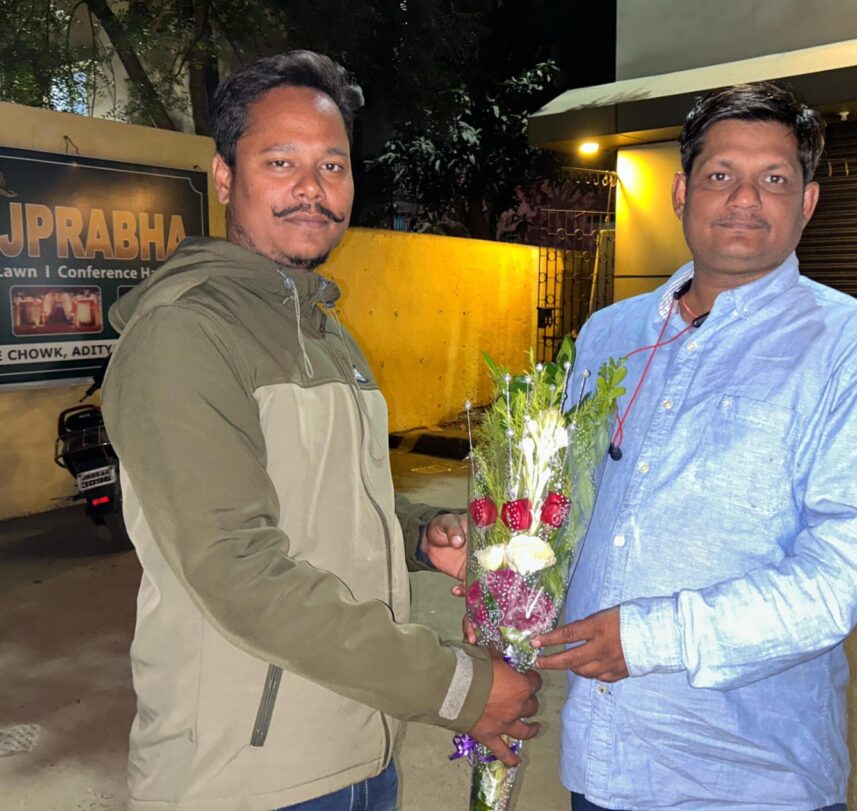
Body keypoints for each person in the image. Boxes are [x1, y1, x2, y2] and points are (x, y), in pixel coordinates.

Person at [103, 50, 540, 811]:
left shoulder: (329, 334)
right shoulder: (184, 333)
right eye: (281, 162)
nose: (312, 187)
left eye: (332, 165)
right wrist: (458, 687)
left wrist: (419, 536)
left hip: (360, 750)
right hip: (247, 778)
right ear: (225, 177)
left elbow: (323, 498)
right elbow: (239, 570)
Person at [531, 82, 857, 810]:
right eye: (720, 175)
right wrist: (501, 544)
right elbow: (570, 500)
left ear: (807, 202)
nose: (744, 198)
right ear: (682, 193)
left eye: (773, 179)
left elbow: (850, 569)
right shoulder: (610, 334)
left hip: (751, 771)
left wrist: (651, 638)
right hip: (602, 757)